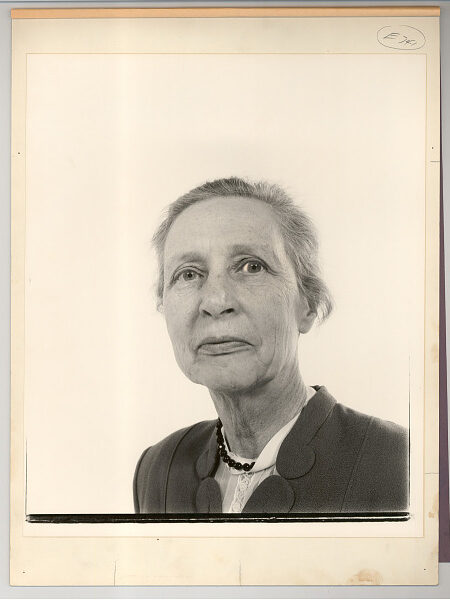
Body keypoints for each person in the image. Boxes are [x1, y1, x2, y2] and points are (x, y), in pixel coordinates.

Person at [133, 177, 408, 514]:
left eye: (251, 266)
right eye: (188, 274)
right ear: (163, 304)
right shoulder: (157, 469)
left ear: (308, 304)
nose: (216, 301)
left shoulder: (400, 462)